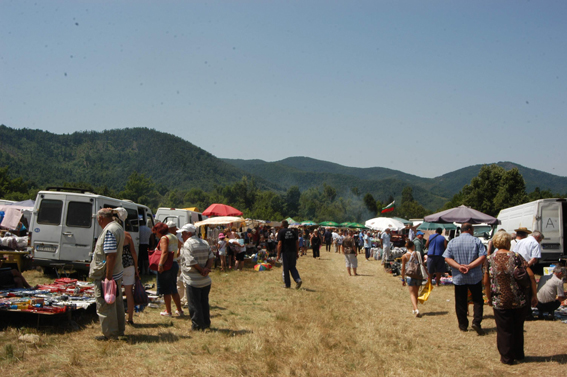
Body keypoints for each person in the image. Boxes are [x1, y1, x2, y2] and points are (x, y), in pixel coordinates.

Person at [484, 231, 538, 365]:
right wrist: (534, 294)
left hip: (500, 299)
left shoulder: (490, 259)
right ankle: (519, 354)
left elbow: (486, 281)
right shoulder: (516, 256)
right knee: (518, 327)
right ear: (508, 243)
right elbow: (530, 275)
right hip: (518, 299)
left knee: (504, 330)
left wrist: (488, 297)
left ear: (496, 243)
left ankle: (507, 358)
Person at [89, 207, 126, 341]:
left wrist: (107, 276)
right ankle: (119, 329)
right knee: (116, 303)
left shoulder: (109, 230)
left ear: (101, 218)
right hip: (115, 273)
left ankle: (110, 334)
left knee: (105, 305)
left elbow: (110, 254)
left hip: (108, 274)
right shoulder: (117, 227)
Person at [443, 223, 487, 335]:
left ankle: (463, 325)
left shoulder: (453, 241)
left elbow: (447, 257)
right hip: (474, 276)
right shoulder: (476, 241)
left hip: (459, 276)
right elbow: (483, 256)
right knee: (478, 300)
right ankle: (476, 322)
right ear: (469, 229)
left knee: (460, 301)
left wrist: (459, 266)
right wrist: (470, 266)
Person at [179, 224, 215, 331]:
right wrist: (207, 269)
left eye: (183, 234)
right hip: (205, 280)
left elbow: (191, 261)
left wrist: (201, 270)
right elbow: (211, 257)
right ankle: (206, 323)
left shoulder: (187, 244)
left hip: (193, 279)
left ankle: (197, 325)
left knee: (194, 304)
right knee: (204, 303)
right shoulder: (204, 242)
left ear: (188, 233)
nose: (182, 236)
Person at [153, 222, 184, 317]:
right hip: (174, 263)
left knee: (166, 290)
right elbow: (180, 245)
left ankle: (168, 311)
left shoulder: (164, 238)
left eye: (156, 233)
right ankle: (179, 310)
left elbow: (165, 252)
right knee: (173, 289)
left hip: (167, 265)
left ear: (159, 231)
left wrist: (161, 264)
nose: (156, 235)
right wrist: (177, 254)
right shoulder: (173, 236)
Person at [401, 240, 427, 317]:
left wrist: (403, 279)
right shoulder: (417, 254)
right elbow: (422, 264)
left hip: (410, 276)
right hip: (418, 275)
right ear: (413, 246)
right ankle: (415, 308)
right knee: (416, 293)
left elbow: (403, 269)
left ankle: (416, 309)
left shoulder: (404, 256)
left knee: (412, 294)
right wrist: (427, 273)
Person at [277, 220, 302, 289]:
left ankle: (287, 284)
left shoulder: (281, 232)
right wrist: (297, 252)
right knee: (292, 267)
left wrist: (278, 254)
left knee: (286, 268)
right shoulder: (293, 232)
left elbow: (279, 244)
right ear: (288, 225)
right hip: (293, 252)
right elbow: (297, 243)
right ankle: (298, 279)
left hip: (285, 252)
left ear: (282, 225)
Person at [122, 231, 139, 325]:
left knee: (116, 292)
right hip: (129, 264)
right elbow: (133, 252)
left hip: (118, 265)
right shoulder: (127, 235)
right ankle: (130, 318)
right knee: (129, 293)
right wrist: (136, 267)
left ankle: (119, 317)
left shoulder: (113, 234)